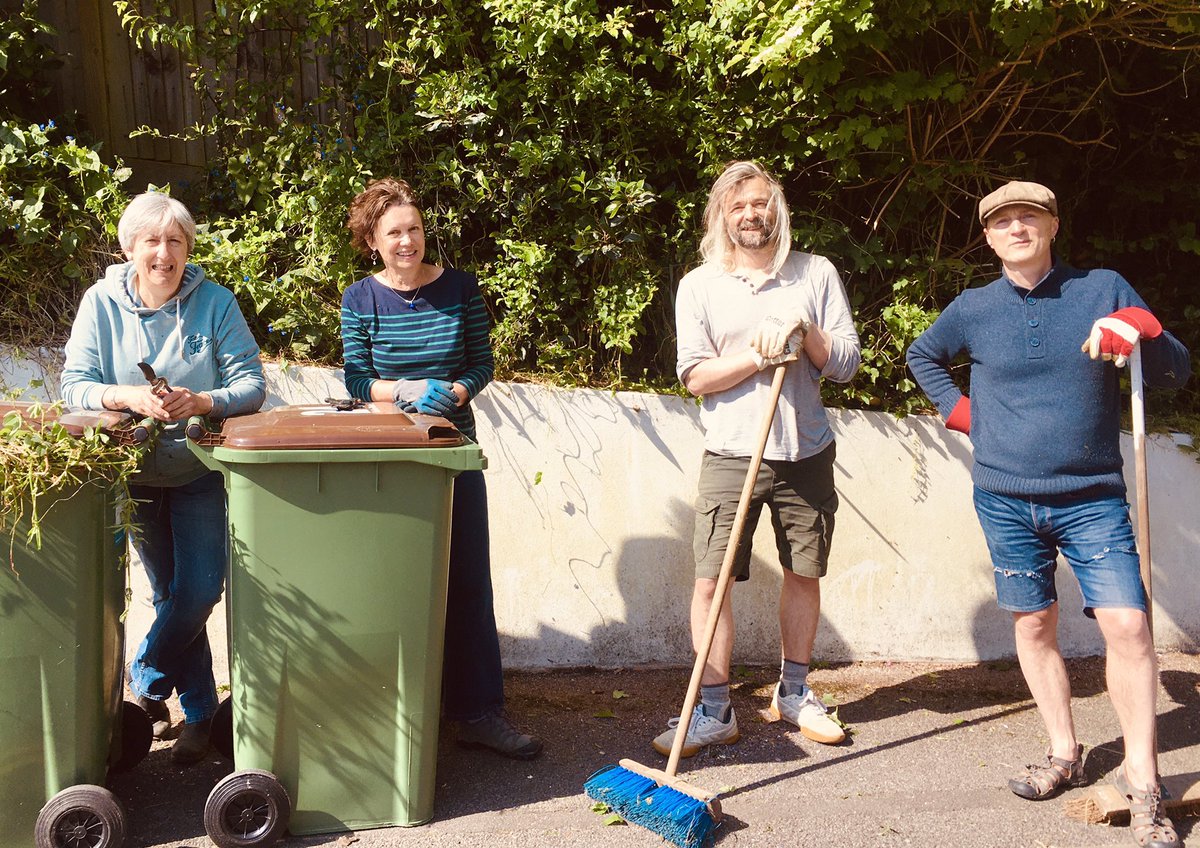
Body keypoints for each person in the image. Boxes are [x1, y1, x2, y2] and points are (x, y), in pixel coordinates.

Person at [906, 181, 1190, 848]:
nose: (1016, 227)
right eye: (1002, 220)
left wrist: (1142, 327)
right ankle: (1064, 753)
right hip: (1004, 497)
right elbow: (924, 356)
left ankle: (1146, 786)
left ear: (1053, 224)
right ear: (988, 236)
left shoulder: (1103, 288)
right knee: (1033, 622)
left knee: (1128, 626)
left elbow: (1174, 371)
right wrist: (965, 415)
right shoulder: (973, 308)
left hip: (1092, 496)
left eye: (1028, 216)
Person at [653, 160, 861, 757]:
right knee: (712, 580)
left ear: (779, 210)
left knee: (805, 571)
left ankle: (793, 693)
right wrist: (758, 355)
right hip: (732, 452)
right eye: (738, 205)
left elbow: (844, 362)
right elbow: (694, 376)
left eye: (761, 203)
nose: (751, 214)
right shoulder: (700, 285)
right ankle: (715, 709)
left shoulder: (815, 273)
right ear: (722, 214)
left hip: (807, 449)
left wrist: (804, 329)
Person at [339, 177, 542, 760]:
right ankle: (394, 712)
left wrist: (455, 390)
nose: (408, 241)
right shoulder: (361, 299)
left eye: (415, 229)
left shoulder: (460, 288)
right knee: (393, 578)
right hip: (386, 454)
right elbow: (355, 380)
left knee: (468, 577)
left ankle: (480, 712)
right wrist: (402, 389)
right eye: (394, 232)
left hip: (454, 448)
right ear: (373, 241)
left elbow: (483, 362)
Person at [60, 191, 266, 764]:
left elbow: (251, 386)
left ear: (188, 250)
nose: (164, 253)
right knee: (171, 593)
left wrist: (201, 399)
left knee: (200, 590)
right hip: (132, 475)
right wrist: (124, 396)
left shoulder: (215, 304)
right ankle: (199, 716)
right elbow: (73, 384)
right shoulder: (99, 303)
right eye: (151, 241)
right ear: (130, 248)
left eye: (175, 241)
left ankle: (145, 674)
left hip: (200, 469)